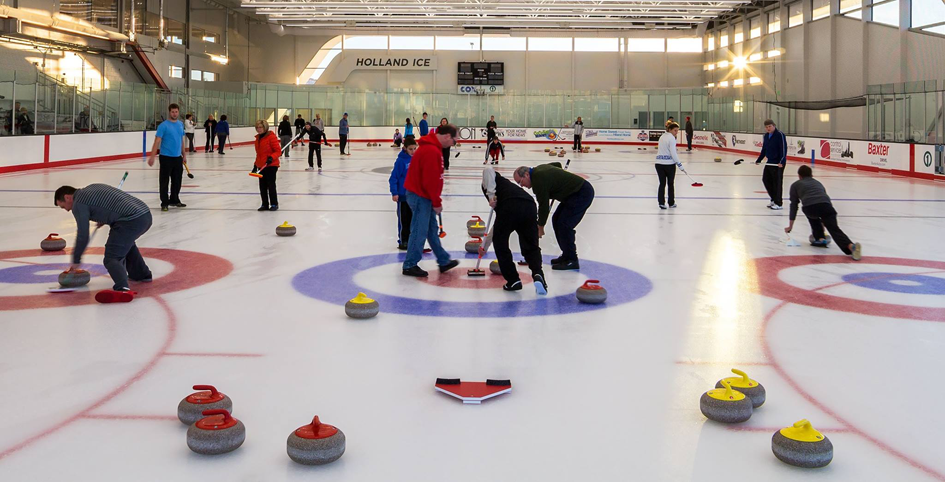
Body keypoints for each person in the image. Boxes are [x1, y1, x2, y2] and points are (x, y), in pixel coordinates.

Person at [54, 184, 152, 300]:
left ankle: (123, 289)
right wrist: (103, 217)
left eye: (63, 206)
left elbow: (83, 235)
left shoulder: (78, 204)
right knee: (125, 244)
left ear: (67, 197)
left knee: (112, 257)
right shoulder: (91, 189)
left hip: (131, 220)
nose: (67, 210)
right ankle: (140, 274)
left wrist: (76, 259)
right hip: (145, 214)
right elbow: (109, 203)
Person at [401, 124, 460, 277]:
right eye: (455, 141)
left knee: (431, 230)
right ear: (447, 136)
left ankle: (443, 260)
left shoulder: (434, 148)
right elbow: (430, 181)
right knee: (419, 231)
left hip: (424, 195)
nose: (454, 144)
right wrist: (437, 203)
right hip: (420, 196)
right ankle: (410, 264)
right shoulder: (431, 150)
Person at [479, 165, 547, 294]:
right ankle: (538, 274)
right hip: (529, 205)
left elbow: (488, 169)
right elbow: (498, 223)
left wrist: (491, 196)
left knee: (500, 243)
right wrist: (485, 245)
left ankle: (513, 280)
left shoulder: (491, 182)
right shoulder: (507, 187)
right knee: (530, 246)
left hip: (510, 207)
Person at [513, 162, 594, 271]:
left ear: (526, 175)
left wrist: (540, 226)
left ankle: (572, 259)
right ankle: (566, 255)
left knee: (564, 225)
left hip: (581, 194)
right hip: (571, 195)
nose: (522, 185)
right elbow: (557, 164)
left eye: (520, 182)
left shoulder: (538, 181)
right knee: (556, 219)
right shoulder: (538, 169)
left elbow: (543, 207)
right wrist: (557, 179)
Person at [786, 165, 862, 260]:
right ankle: (851, 246)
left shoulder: (795, 185)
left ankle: (820, 238)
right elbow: (825, 199)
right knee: (834, 229)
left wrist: (790, 226)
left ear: (799, 176)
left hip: (810, 207)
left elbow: (794, 205)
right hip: (827, 207)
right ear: (812, 175)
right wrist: (825, 221)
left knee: (810, 211)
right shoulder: (818, 183)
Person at [147, 103, 187, 212]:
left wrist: (184, 154)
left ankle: (174, 199)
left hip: (177, 157)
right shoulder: (163, 126)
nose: (174, 113)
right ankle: (164, 202)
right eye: (172, 112)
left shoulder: (180, 124)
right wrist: (152, 156)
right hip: (166, 157)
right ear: (169, 112)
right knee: (164, 181)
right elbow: (157, 141)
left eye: (176, 112)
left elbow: (181, 140)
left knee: (177, 180)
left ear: (178, 112)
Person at [389, 137, 419, 250]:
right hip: (403, 196)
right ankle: (403, 241)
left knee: (413, 220)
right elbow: (393, 178)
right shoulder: (401, 161)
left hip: (414, 196)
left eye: (415, 149)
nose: (413, 151)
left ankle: (412, 240)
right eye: (410, 149)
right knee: (404, 221)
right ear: (405, 148)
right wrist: (394, 192)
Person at [755, 119, 788, 210]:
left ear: (774, 126)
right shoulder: (766, 136)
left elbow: (783, 149)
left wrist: (781, 161)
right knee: (766, 179)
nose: (768, 128)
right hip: (770, 161)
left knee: (777, 183)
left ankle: (778, 203)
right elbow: (764, 149)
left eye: (770, 126)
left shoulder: (779, 135)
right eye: (766, 127)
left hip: (778, 163)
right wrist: (759, 159)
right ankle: (773, 198)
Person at [253, 119, 281, 211]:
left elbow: (278, 151)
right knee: (262, 186)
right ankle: (264, 204)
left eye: (260, 127)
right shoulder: (258, 138)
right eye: (257, 127)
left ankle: (274, 204)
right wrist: (255, 165)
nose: (258, 129)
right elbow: (259, 154)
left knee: (271, 185)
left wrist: (271, 158)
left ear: (265, 127)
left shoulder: (271, 137)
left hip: (271, 165)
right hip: (261, 165)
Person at [655, 121, 684, 209]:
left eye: (677, 131)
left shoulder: (662, 136)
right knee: (670, 184)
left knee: (662, 183)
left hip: (659, 163)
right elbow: (673, 153)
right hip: (669, 165)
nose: (676, 133)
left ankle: (661, 203)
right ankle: (671, 203)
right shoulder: (671, 138)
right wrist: (679, 164)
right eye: (675, 131)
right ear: (670, 129)